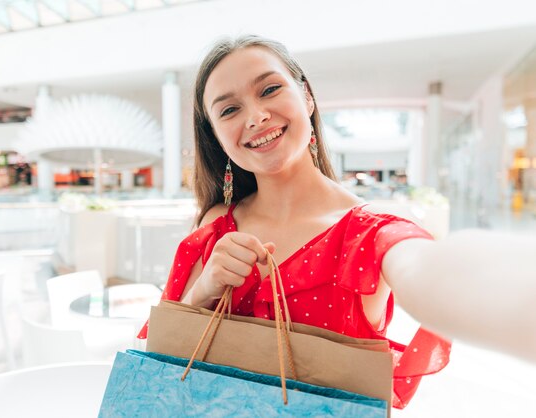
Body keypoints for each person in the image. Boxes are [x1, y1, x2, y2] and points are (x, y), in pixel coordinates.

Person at [138, 35, 536, 409]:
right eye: (229, 109)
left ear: (306, 97)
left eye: (270, 89)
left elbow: (433, 272)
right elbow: (163, 358)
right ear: (217, 137)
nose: (256, 116)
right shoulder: (217, 224)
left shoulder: (371, 233)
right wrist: (204, 289)